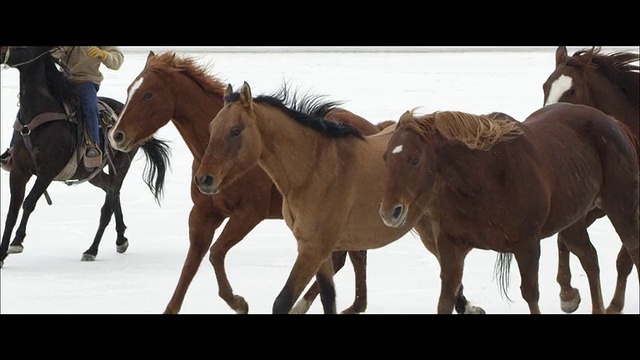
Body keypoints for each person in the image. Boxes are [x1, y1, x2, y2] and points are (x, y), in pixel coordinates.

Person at [0, 46, 124, 171]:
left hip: (86, 81)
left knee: (90, 107)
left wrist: (103, 54)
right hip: (63, 79)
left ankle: (92, 145)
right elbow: (54, 54)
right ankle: (14, 148)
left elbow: (117, 60)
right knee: (32, 103)